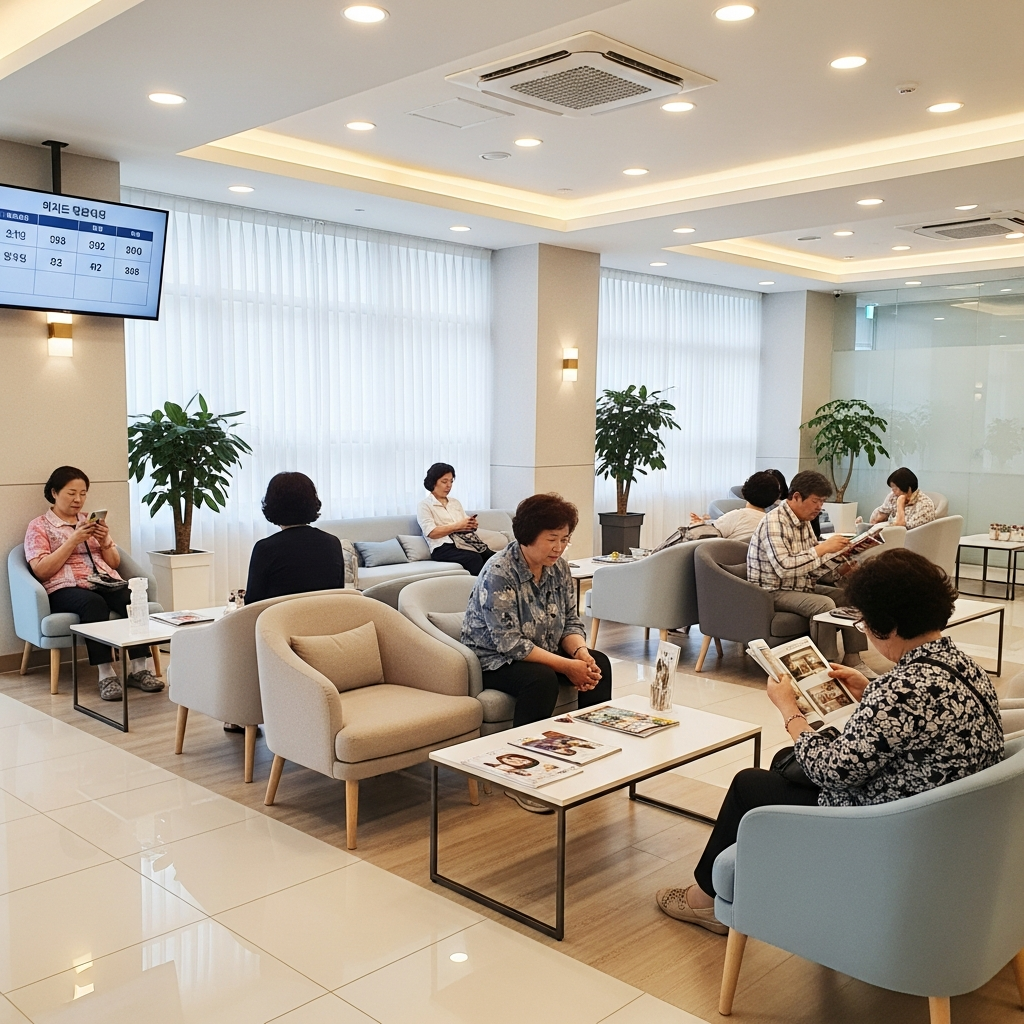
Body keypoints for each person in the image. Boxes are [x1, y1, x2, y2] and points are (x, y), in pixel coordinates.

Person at [655, 548, 1003, 934]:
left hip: (890, 829)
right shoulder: (961, 665)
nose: (865, 632)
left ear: (887, 625)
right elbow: (919, 724)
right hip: (946, 818)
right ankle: (763, 879)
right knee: (788, 762)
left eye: (866, 623)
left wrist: (791, 712)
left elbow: (834, 771)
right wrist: (869, 689)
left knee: (749, 784)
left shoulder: (902, 690)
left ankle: (704, 900)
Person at [462, 493, 613, 812]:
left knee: (599, 663)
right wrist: (566, 665)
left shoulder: (557, 568)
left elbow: (570, 620)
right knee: (541, 680)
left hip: (544, 648)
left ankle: (588, 753)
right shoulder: (500, 571)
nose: (559, 547)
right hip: (495, 659)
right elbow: (509, 643)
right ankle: (522, 775)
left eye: (565, 539)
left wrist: (581, 654)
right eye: (552, 539)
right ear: (528, 537)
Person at [24, 466, 163, 702]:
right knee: (93, 603)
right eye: (71, 493)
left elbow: (115, 562)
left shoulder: (89, 520)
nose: (78, 499)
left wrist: (105, 539)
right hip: (64, 586)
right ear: (55, 492)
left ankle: (139, 668)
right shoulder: (38, 526)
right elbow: (41, 570)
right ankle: (106, 674)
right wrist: (73, 540)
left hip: (104, 580)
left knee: (132, 598)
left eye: (83, 493)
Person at [747, 470, 868, 665]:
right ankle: (828, 664)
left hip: (800, 585)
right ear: (796, 497)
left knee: (852, 595)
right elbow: (784, 568)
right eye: (816, 501)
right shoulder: (774, 522)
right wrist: (821, 549)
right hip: (773, 590)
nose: (819, 507)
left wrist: (839, 567)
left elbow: (812, 567)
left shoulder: (804, 522)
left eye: (822, 502)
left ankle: (854, 659)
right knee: (823, 604)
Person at [244, 473, 345, 604]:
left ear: (271, 504)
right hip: (324, 620)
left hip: (279, 622)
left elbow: (253, 603)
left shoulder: (265, 548)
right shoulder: (332, 543)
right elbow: (338, 592)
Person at [417, 463, 489, 576]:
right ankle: (479, 591)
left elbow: (465, 525)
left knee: (494, 557)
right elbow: (431, 533)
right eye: (444, 482)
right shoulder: (424, 505)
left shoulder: (455, 502)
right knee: (474, 558)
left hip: (464, 542)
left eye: (451, 481)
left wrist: (471, 525)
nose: (449, 485)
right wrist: (458, 526)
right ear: (433, 482)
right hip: (442, 548)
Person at [690, 471, 780, 543]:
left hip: (724, 561)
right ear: (775, 498)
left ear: (745, 489)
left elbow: (709, 536)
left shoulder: (738, 516)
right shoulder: (772, 523)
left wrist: (699, 525)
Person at [870, 467, 936, 530]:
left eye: (895, 488)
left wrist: (900, 504)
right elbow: (880, 515)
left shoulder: (924, 505)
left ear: (908, 488)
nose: (893, 491)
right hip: (889, 534)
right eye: (892, 488)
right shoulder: (894, 496)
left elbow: (900, 529)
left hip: (910, 538)